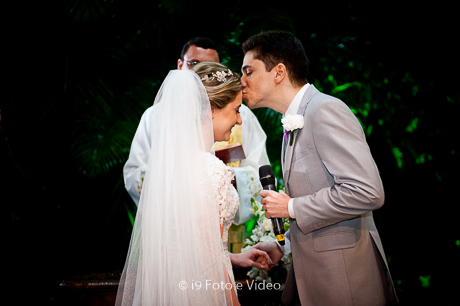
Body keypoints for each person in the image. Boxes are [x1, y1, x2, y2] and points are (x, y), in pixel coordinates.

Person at [241, 31, 398, 305]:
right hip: (314, 280)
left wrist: (290, 208)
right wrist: (284, 246)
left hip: (344, 281)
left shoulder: (324, 110)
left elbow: (366, 191)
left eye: (248, 72)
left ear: (279, 72)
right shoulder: (292, 121)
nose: (241, 81)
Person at [116, 62, 271, 306]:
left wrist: (233, 256)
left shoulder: (168, 168)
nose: (240, 120)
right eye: (236, 110)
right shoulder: (213, 172)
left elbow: (191, 246)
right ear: (211, 109)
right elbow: (209, 263)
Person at [124, 37, 269, 226]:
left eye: (210, 65)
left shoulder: (243, 116)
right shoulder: (155, 117)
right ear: (179, 65)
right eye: (194, 64)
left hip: (231, 236)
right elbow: (134, 174)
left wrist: (225, 177)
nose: (199, 74)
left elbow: (259, 171)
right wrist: (184, 176)